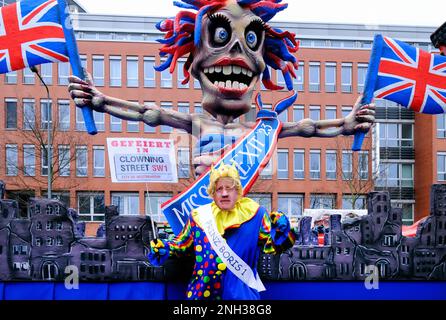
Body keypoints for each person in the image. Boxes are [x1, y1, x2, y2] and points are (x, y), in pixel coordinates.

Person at [148, 163, 295, 300]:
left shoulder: (256, 215)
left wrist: (282, 231)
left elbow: (273, 247)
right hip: (202, 294)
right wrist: (164, 247)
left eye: (229, 188)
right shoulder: (198, 216)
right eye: (219, 189)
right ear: (212, 193)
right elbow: (182, 244)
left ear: (237, 190)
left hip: (241, 296)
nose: (224, 193)